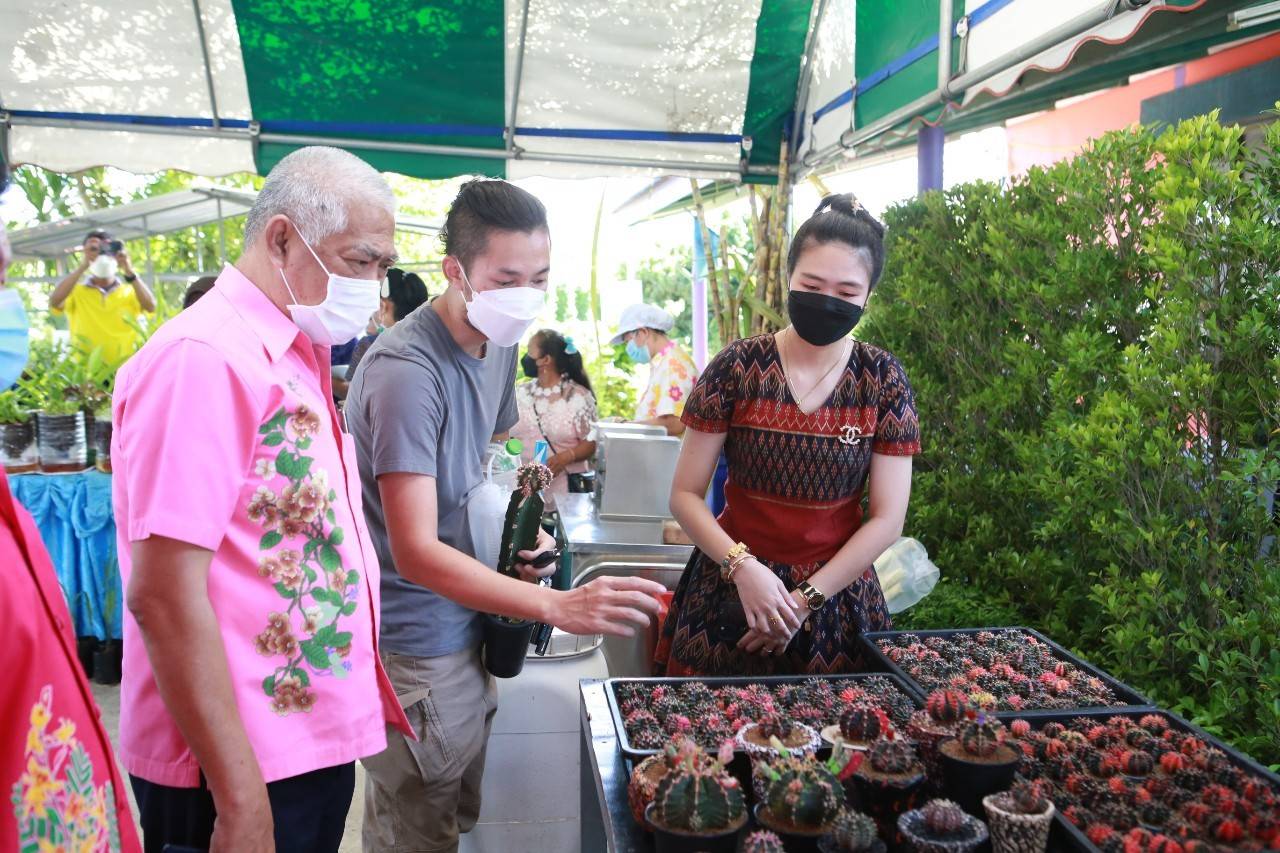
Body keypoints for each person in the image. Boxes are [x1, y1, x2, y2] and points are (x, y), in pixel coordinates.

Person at [345, 178, 664, 853]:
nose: (526, 295)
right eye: (507, 277)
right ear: (455, 271)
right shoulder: (407, 369)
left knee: (448, 815)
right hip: (416, 643)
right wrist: (558, 606)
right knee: (413, 830)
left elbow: (488, 464)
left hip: (468, 623)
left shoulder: (498, 342)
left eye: (540, 277)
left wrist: (524, 533)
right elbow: (414, 549)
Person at [111, 146, 413, 853]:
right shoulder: (205, 360)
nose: (374, 288)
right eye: (361, 261)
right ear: (282, 237)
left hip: (296, 748)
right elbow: (162, 593)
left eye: (381, 267)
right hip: (230, 770)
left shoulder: (287, 353)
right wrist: (241, 799)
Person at [655, 194, 920, 677]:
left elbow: (887, 519)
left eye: (846, 292)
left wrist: (803, 601)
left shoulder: (881, 378)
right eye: (813, 284)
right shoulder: (737, 367)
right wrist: (743, 569)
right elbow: (685, 495)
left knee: (841, 747)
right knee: (707, 745)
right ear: (789, 279)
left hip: (836, 603)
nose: (827, 300)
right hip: (727, 591)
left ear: (867, 297)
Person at [1, 150, 143, 853]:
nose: (6, 278)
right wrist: (86, 263)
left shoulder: (125, 287)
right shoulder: (83, 284)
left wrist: (129, 268)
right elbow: (54, 304)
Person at [511, 328, 598, 507]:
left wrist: (566, 457)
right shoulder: (520, 392)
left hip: (564, 499)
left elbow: (592, 441)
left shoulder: (577, 397)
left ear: (545, 360)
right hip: (521, 496)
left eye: (530, 351)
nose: (525, 357)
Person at [51, 229, 156, 365]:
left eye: (106, 249)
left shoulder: (130, 291)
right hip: (85, 371)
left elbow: (151, 306)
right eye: (95, 249)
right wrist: (83, 266)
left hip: (123, 369)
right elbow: (55, 301)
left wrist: (128, 270)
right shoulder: (76, 291)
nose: (101, 255)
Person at [332, 267, 428, 400]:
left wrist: (325, 379)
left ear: (383, 306)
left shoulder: (370, 345)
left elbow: (353, 395)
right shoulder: (431, 342)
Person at [610, 302, 698, 435]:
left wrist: (627, 426)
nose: (628, 348)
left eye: (628, 341)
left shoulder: (673, 365)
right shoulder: (663, 363)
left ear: (643, 332)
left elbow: (675, 424)